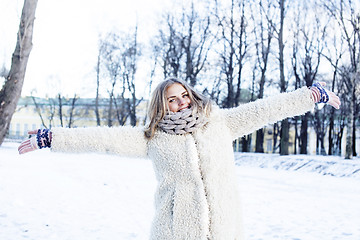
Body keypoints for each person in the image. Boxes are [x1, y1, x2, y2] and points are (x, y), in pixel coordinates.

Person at [18, 78, 340, 239]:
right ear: (162, 105)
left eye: (184, 94)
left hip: (225, 231)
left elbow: (266, 109)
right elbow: (104, 139)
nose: (182, 102)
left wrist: (309, 96)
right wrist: (52, 138)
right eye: (173, 100)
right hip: (175, 233)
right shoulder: (152, 138)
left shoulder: (220, 122)